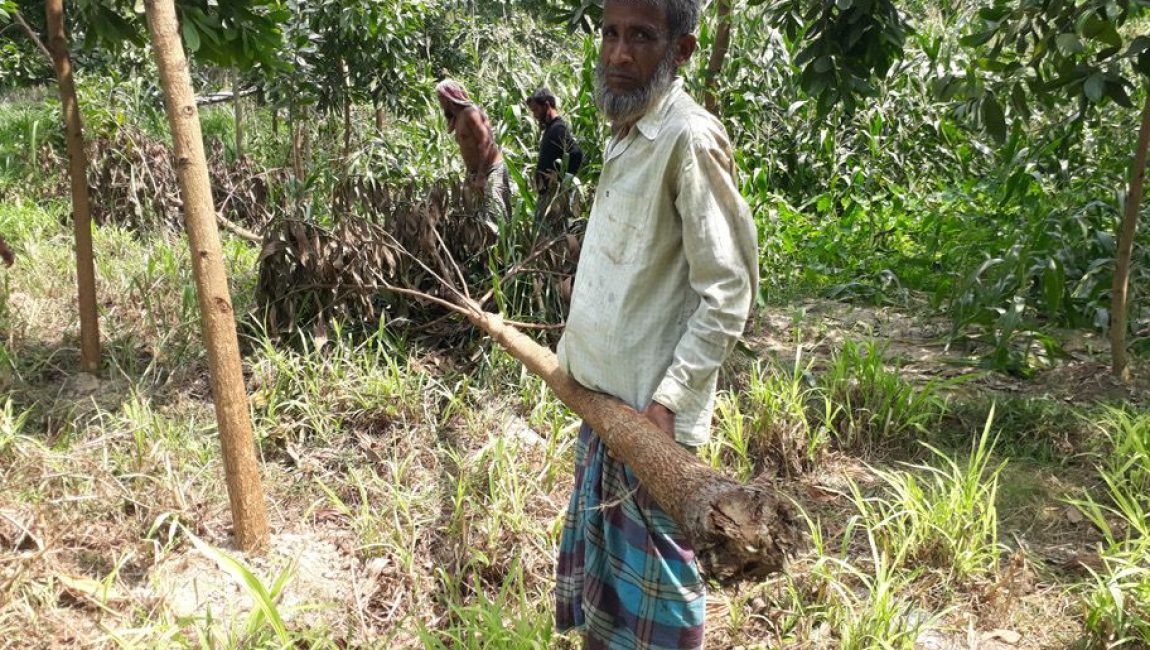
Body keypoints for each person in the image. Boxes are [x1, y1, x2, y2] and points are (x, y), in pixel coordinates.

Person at [553, 0, 757, 647]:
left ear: (682, 50)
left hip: (649, 427)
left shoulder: (687, 138)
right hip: (606, 413)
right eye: (610, 33)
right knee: (612, 608)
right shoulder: (628, 128)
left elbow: (728, 288)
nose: (617, 54)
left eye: (640, 36)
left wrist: (670, 400)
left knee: (661, 616)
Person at [435, 79, 511, 221]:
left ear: (448, 98)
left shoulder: (470, 113)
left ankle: (503, 243)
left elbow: (486, 141)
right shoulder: (457, 117)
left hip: (491, 170)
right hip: (475, 173)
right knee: (476, 217)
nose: (440, 104)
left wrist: (482, 175)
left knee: (496, 216)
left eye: (440, 99)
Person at [526, 87, 584, 231]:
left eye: (536, 110)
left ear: (546, 106)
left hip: (552, 197)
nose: (534, 115)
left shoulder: (558, 128)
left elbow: (576, 153)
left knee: (550, 236)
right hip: (547, 195)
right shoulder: (551, 129)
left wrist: (563, 181)